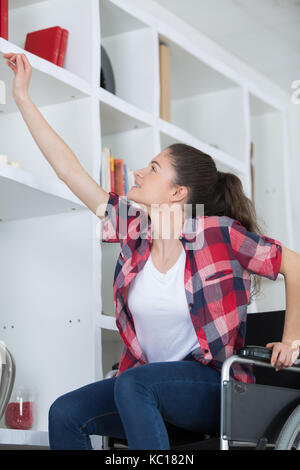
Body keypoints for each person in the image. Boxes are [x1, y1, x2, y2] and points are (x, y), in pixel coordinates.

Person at [3, 52, 300, 451]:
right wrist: (22, 95)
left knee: (133, 384)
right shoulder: (134, 230)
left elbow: (295, 265)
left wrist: (292, 340)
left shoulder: (218, 235)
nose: (139, 172)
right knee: (66, 413)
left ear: (178, 194)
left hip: (213, 386)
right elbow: (69, 171)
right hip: (143, 385)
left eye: (154, 169)